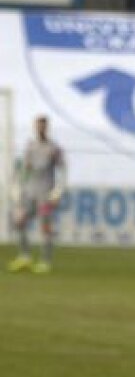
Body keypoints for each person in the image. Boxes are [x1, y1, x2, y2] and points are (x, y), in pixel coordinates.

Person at [8, 116, 67, 274]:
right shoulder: (31, 146)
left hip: (45, 194)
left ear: (47, 128)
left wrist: (58, 192)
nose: (40, 129)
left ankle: (45, 261)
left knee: (45, 226)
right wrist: (18, 187)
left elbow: (62, 171)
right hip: (29, 192)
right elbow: (24, 169)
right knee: (19, 221)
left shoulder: (54, 148)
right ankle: (25, 256)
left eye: (43, 126)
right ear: (35, 127)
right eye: (38, 126)